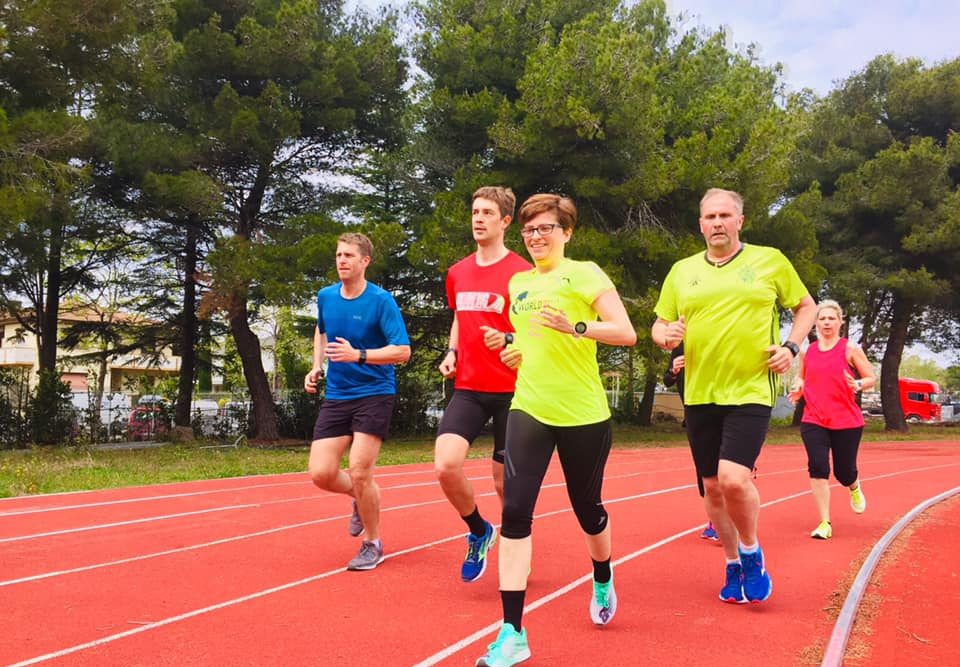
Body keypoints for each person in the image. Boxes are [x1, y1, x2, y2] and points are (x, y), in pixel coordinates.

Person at [475, 194, 637, 667]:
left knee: (587, 509)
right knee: (515, 512)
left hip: (584, 413)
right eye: (529, 230)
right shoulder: (519, 283)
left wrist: (578, 327)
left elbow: (625, 331)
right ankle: (512, 632)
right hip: (530, 408)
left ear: (566, 232)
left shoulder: (585, 273)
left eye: (546, 228)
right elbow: (530, 341)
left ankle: (602, 575)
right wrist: (511, 347)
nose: (536, 237)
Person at [652, 188, 817, 605]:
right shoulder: (682, 271)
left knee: (733, 478)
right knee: (711, 486)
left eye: (726, 215)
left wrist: (792, 348)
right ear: (701, 224)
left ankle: (751, 550)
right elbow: (660, 325)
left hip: (750, 389)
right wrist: (664, 335)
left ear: (740, 221)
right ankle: (731, 563)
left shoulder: (770, 260)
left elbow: (806, 307)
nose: (718, 223)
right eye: (710, 217)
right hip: (700, 391)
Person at [435, 186, 532, 583]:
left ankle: (516, 547)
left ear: (505, 221)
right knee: (445, 466)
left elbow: (534, 329)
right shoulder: (457, 272)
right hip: (470, 387)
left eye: (488, 213)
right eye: (475, 211)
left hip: (514, 389)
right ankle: (479, 530)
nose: (478, 218)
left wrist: (511, 341)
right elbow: (460, 317)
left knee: (503, 482)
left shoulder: (522, 272)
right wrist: (451, 351)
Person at [304, 232, 411, 571]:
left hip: (375, 394)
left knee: (360, 470)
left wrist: (358, 355)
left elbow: (403, 351)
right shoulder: (326, 296)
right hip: (337, 394)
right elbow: (321, 332)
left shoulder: (381, 301)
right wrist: (316, 366)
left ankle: (373, 542)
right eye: (338, 254)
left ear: (365, 261)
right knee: (321, 473)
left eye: (349, 255)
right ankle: (359, 498)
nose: (341, 260)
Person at [788, 299, 874, 540]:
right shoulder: (807, 352)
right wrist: (798, 388)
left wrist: (857, 384)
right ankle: (824, 522)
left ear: (840, 322)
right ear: (815, 323)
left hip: (847, 421)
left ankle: (854, 487)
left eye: (831, 318)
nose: (826, 322)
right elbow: (802, 378)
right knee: (818, 466)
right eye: (822, 319)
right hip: (814, 418)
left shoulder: (850, 349)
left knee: (844, 472)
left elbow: (870, 378)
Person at [663, 344, 718, 542]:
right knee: (704, 471)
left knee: (729, 471)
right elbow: (667, 380)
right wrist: (674, 370)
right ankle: (714, 520)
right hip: (695, 414)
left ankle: (731, 518)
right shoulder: (680, 347)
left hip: (724, 410)